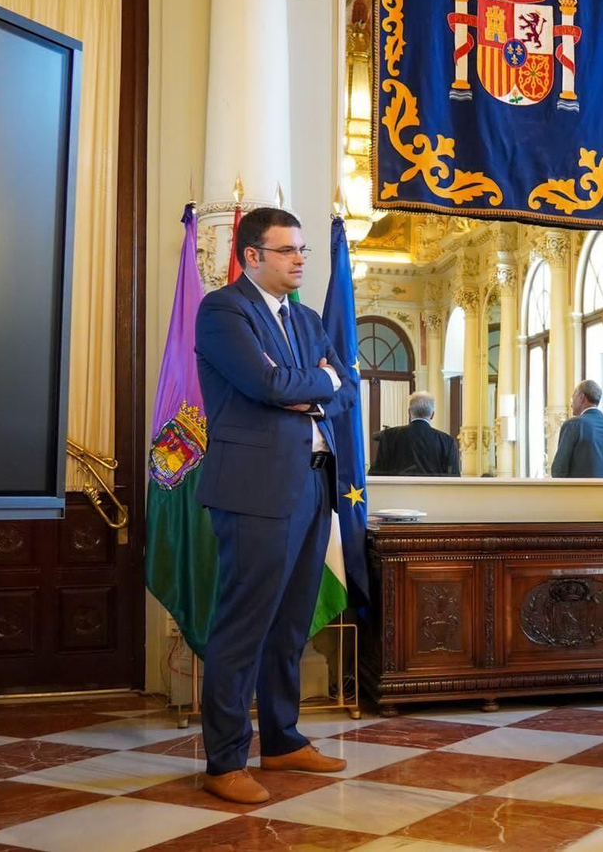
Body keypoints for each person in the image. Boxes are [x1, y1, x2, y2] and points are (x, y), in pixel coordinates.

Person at [193, 207, 358, 804]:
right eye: (287, 250)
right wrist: (316, 382)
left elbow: (346, 386)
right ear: (252, 256)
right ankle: (225, 761)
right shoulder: (223, 311)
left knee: (290, 625)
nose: (300, 260)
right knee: (244, 627)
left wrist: (315, 386)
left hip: (312, 484)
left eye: (303, 250)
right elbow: (268, 385)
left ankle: (283, 740)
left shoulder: (308, 319)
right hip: (255, 490)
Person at [369, 390, 460, 476]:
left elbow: (376, 472)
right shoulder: (447, 441)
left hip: (398, 487)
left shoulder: (389, 436)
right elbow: (453, 475)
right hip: (435, 488)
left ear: (409, 412)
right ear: (432, 415)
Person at [551, 379, 603, 478]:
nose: (571, 404)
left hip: (579, 487)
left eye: (572, 398)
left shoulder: (573, 425)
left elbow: (559, 469)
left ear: (581, 397)